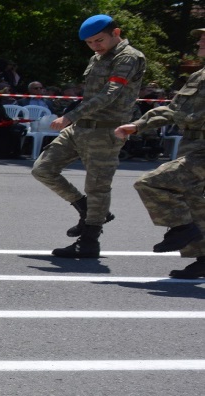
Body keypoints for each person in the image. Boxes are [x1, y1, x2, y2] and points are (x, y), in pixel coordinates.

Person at [32, 14, 145, 258]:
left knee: (97, 187)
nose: (95, 46)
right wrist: (75, 118)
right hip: (81, 127)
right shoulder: (98, 58)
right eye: (90, 43)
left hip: (106, 129)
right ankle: (87, 210)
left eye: (99, 40)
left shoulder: (128, 57)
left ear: (116, 33)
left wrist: (71, 116)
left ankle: (90, 241)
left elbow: (110, 94)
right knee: (43, 169)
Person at [113, 27, 205, 279]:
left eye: (204, 37)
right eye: (199, 36)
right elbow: (174, 109)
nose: (199, 40)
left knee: (151, 183)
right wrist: (138, 125)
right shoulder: (198, 75)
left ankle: (182, 229)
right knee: (194, 201)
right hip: (193, 146)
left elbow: (183, 114)